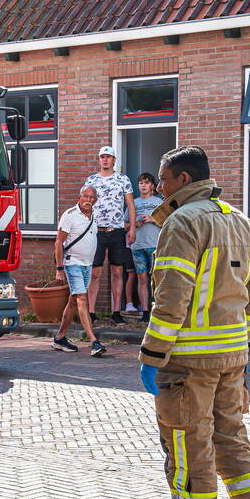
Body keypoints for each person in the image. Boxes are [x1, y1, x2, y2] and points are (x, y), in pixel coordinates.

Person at [138, 146, 250, 499]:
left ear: (182, 179)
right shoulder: (240, 221)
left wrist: (152, 354)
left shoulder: (182, 222)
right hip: (231, 357)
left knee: (188, 445)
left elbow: (172, 296)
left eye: (163, 179)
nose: (159, 188)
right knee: (231, 438)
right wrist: (241, 346)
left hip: (187, 361)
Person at [51, 185, 106, 357]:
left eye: (92, 197)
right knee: (82, 299)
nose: (88, 200)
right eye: (85, 196)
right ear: (80, 197)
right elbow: (58, 243)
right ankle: (94, 342)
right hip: (72, 263)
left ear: (95, 200)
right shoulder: (69, 216)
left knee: (73, 301)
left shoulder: (94, 216)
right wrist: (59, 268)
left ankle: (59, 338)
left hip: (87, 265)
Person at [84, 145, 136, 324]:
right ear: (98, 160)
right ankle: (91, 312)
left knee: (117, 271)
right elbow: (84, 204)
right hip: (96, 232)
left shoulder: (123, 179)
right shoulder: (91, 180)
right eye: (102, 157)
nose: (105, 160)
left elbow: (130, 205)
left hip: (117, 231)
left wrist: (133, 229)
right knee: (94, 273)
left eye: (108, 157)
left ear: (114, 160)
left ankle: (116, 311)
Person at [130, 172, 163, 323]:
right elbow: (124, 225)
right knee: (141, 278)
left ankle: (157, 311)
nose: (143, 185)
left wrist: (152, 219)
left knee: (157, 279)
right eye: (141, 183)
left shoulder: (159, 202)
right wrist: (133, 224)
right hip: (137, 246)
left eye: (146, 183)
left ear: (152, 186)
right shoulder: (134, 203)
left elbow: (167, 222)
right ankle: (144, 311)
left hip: (155, 245)